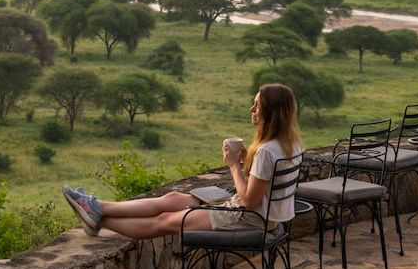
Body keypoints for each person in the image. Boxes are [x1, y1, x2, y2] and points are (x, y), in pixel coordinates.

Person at [62, 83, 302, 239]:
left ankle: (98, 217)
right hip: (258, 215)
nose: (252, 109)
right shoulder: (290, 145)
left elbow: (250, 200)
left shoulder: (267, 151)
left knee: (165, 221)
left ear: (271, 111)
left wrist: (234, 166)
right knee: (173, 198)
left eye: (257, 105)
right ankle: (97, 206)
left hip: (249, 217)